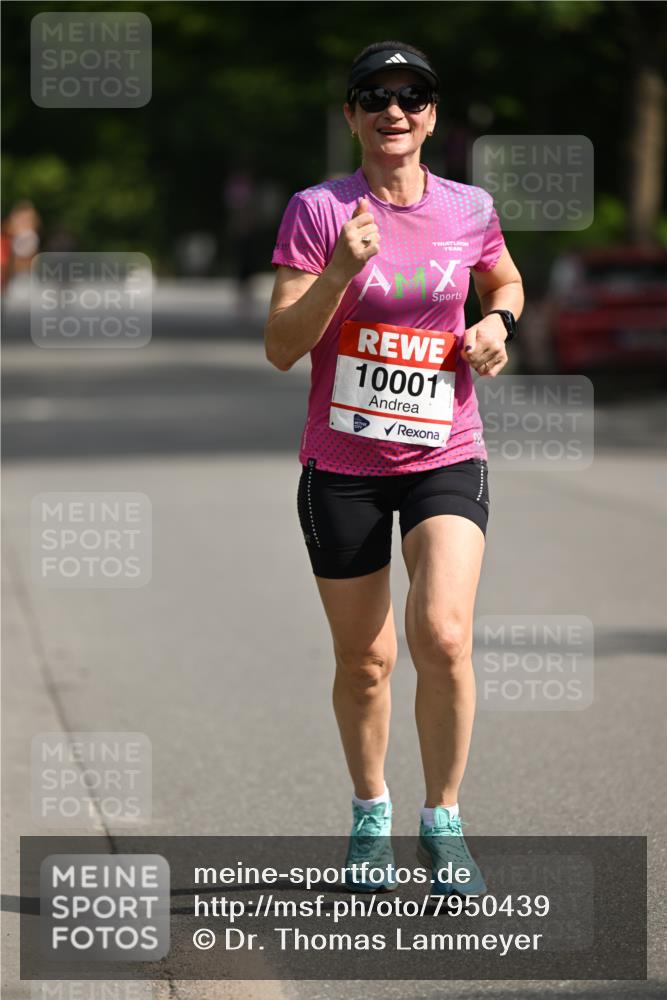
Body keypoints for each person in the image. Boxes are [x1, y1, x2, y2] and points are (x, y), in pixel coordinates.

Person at [265, 41, 524, 895]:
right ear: (350, 116)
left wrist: (497, 326)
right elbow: (279, 348)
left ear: (432, 116)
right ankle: (370, 810)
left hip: (444, 448)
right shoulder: (316, 210)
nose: (394, 110)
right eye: (373, 95)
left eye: (411, 96)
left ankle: (441, 818)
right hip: (342, 461)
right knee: (366, 660)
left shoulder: (469, 206)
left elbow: (505, 281)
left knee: (443, 635)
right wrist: (339, 266)